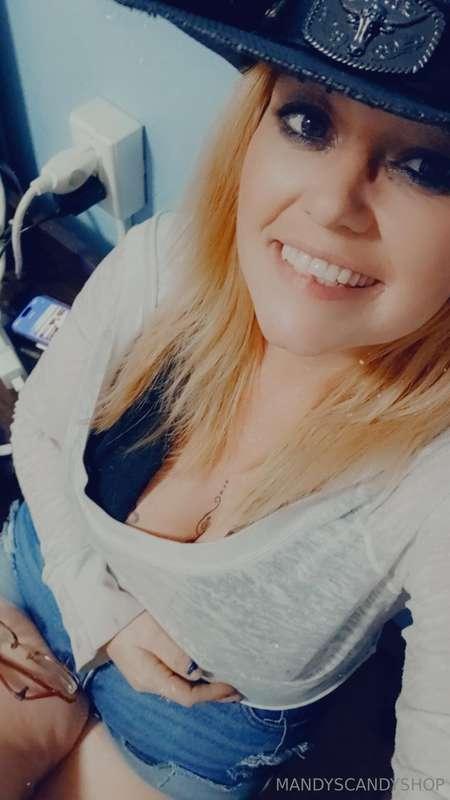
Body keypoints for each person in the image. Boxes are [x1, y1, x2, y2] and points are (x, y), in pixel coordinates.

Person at [1, 0, 450, 797]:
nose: (331, 205)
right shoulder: (160, 267)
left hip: (188, 733)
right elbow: (37, 431)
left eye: (427, 168)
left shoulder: (435, 478)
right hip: (44, 588)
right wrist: (100, 613)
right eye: (308, 122)